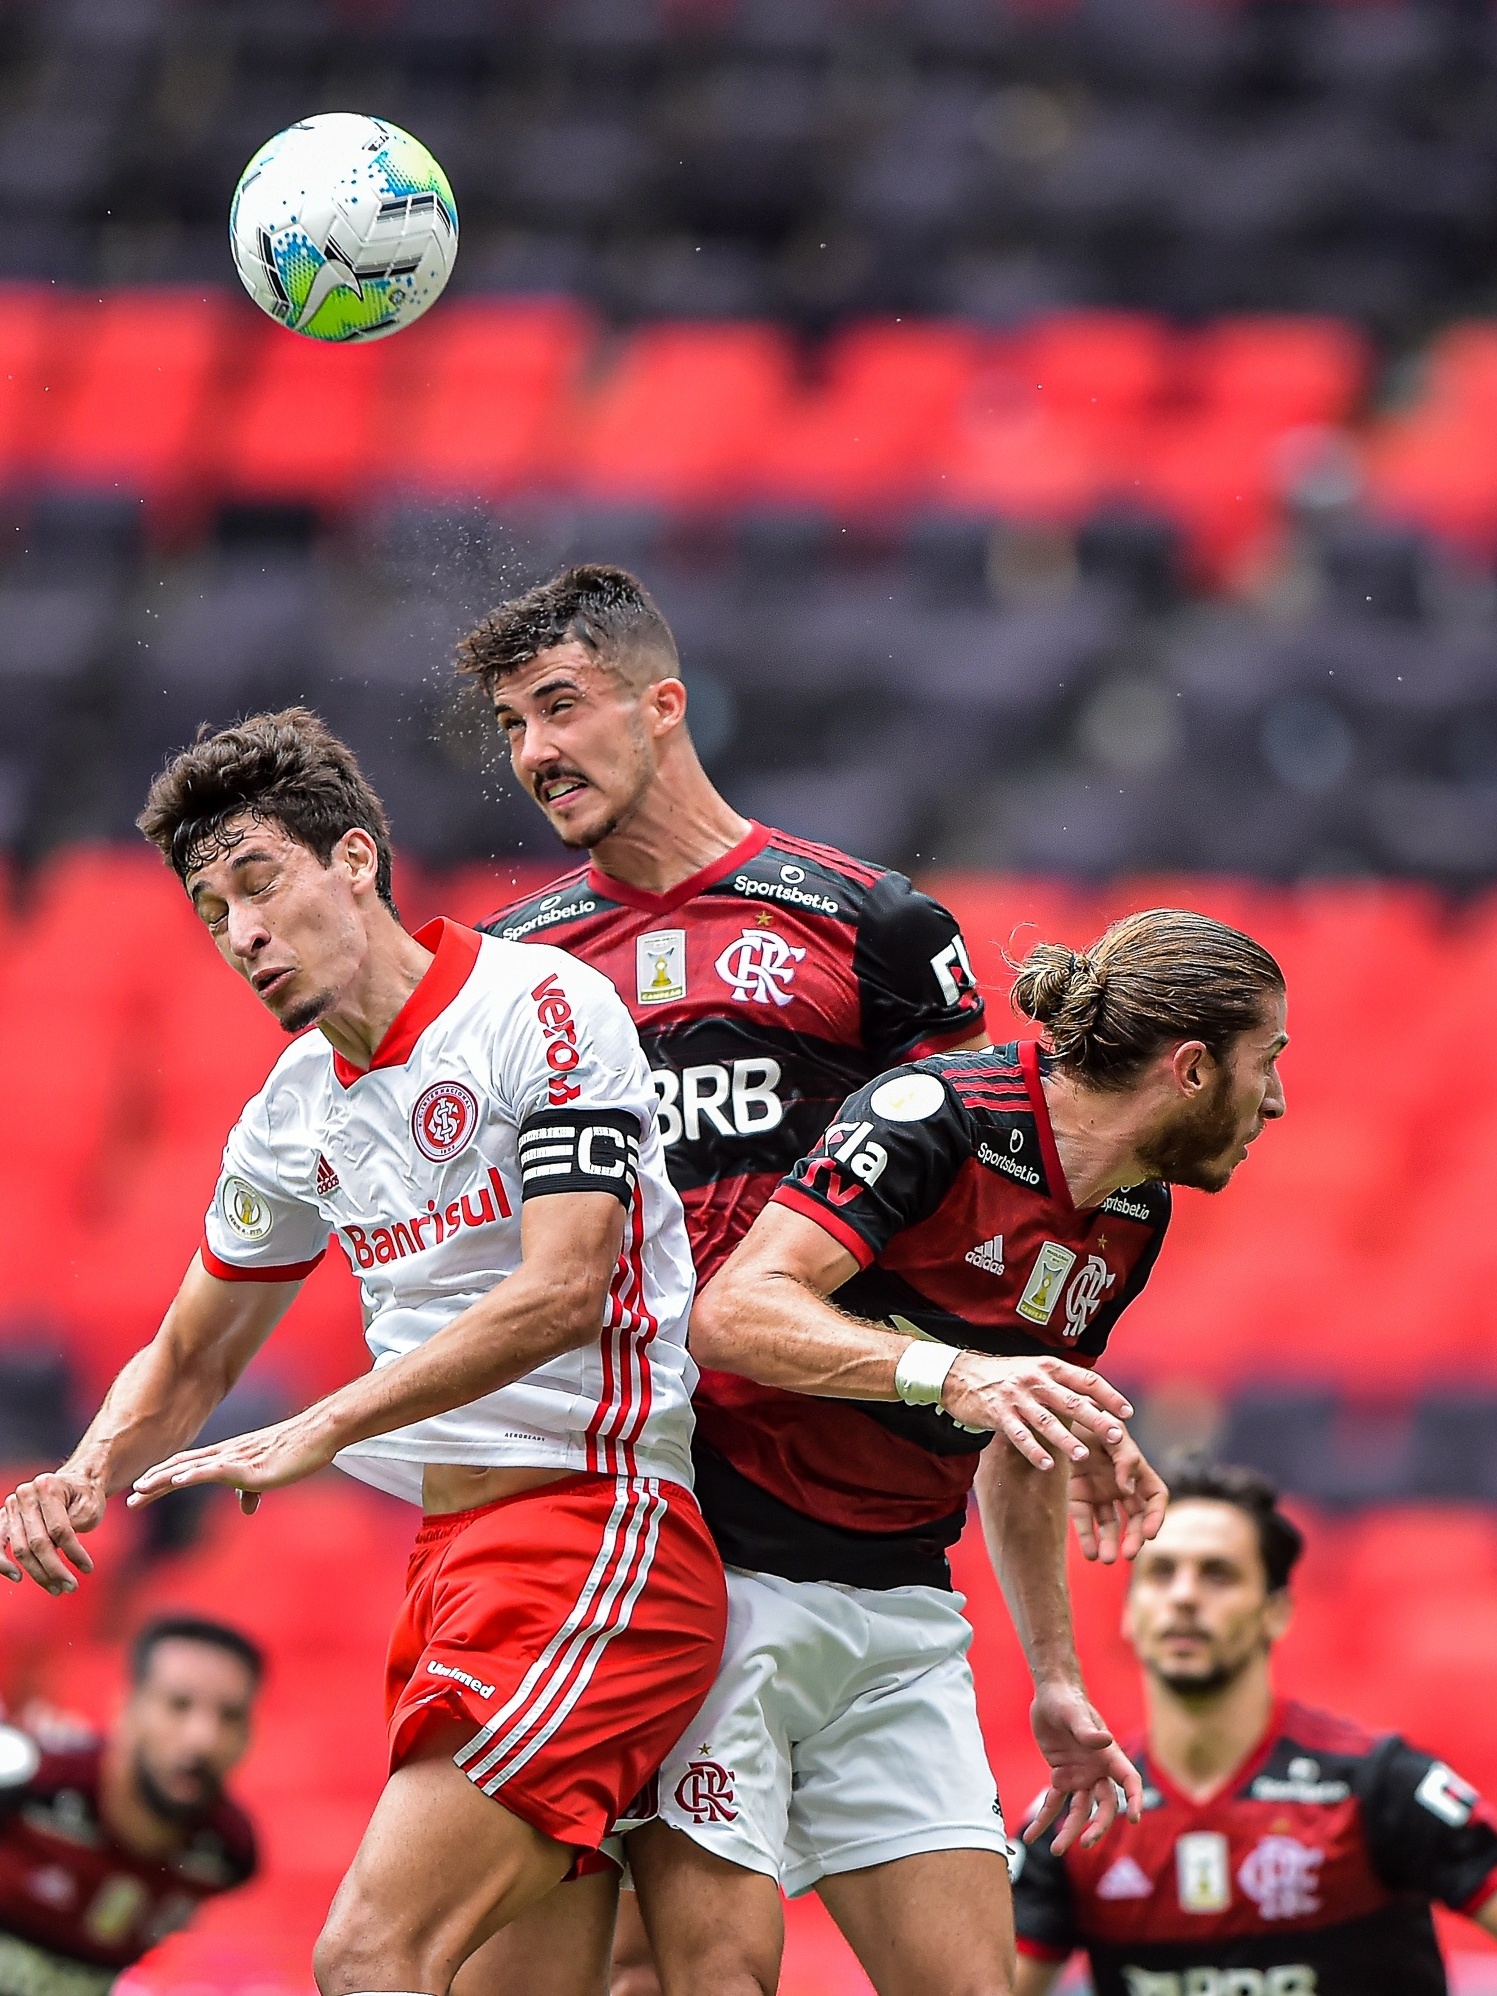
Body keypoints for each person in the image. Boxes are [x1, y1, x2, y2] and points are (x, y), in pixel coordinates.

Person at [458, 565, 1286, 1996]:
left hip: (893, 1577)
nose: (532, 751)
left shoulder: (875, 936)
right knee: (630, 1970)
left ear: (663, 705)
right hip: (679, 1523)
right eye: (510, 724)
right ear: (1197, 1063)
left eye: (560, 709)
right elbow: (725, 1293)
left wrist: (1055, 1660)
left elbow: (983, 1307)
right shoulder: (511, 974)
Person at [0, 708, 729, 1996]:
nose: (241, 936)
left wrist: (330, 1421)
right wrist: (88, 1469)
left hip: (595, 1533)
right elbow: (190, 1354)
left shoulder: (540, 1007)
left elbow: (565, 1289)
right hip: (451, 1567)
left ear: (353, 857)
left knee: (367, 1956)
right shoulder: (291, 1110)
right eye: (211, 910)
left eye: (259, 883)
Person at [1012, 1458, 1497, 1995]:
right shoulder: (1081, 1818)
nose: (1185, 1596)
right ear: (1129, 1611)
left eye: (1217, 1574)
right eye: (1161, 1573)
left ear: (1276, 1612)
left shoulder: (1378, 1787)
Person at [0, 1616, 260, 1996]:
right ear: (126, 1709)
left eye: (230, 1716)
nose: (203, 1738)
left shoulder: (226, 1857)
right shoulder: (29, 1781)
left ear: (248, 1737)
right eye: (178, 1705)